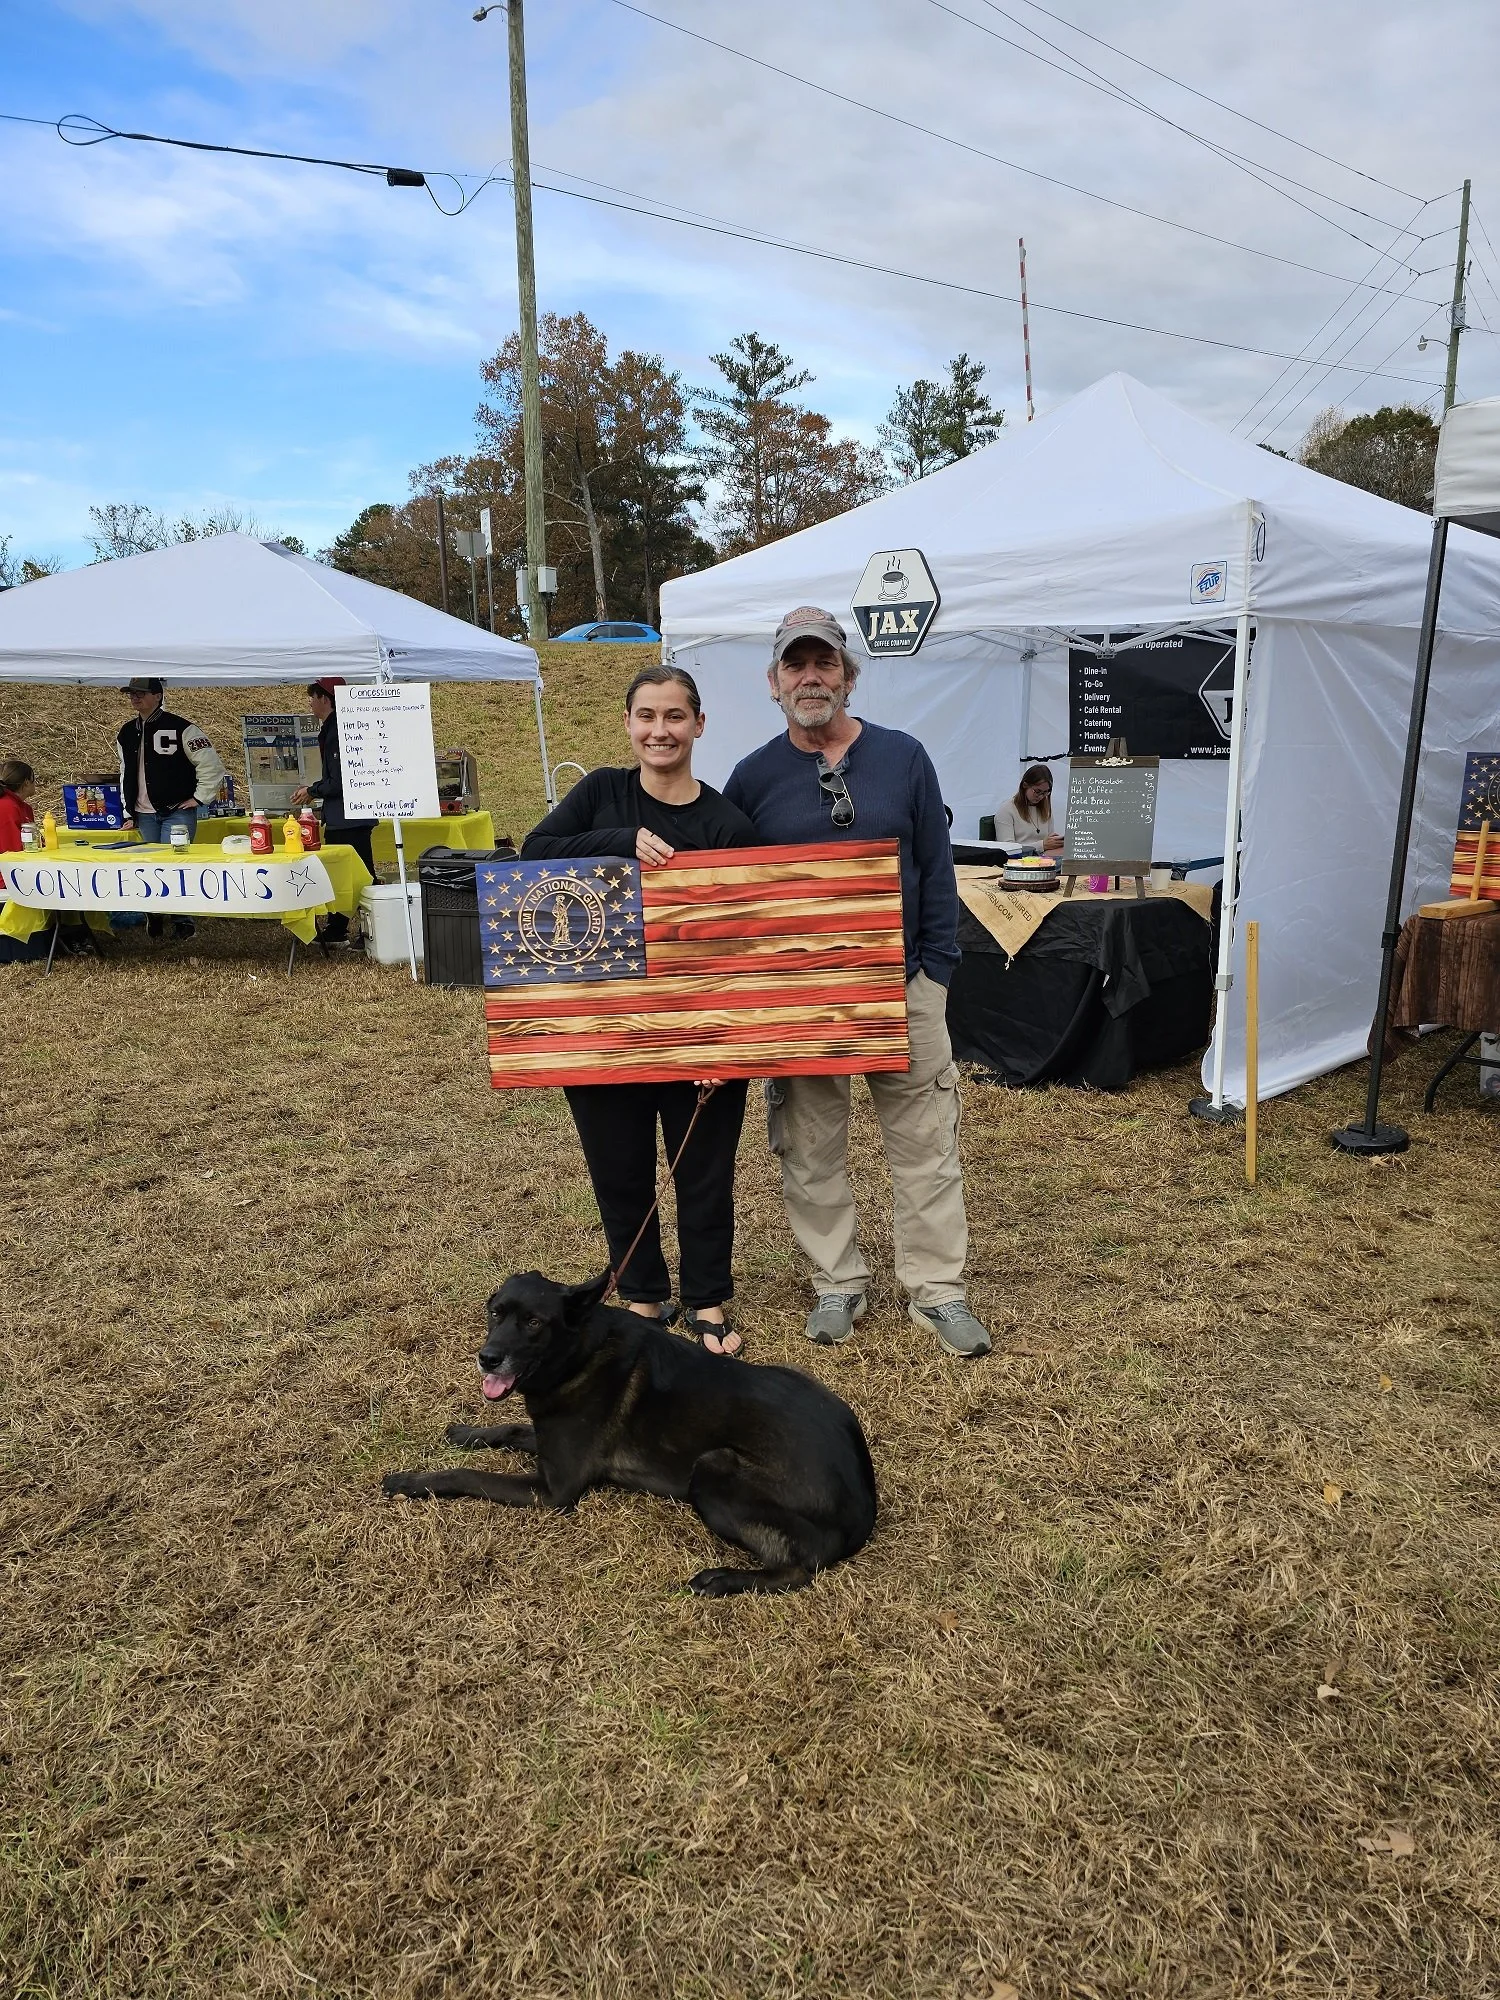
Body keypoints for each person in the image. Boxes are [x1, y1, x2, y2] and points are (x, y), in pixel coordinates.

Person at [722, 606, 990, 1359]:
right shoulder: (752, 777)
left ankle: (938, 1292)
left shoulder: (903, 757)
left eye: (825, 663)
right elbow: (733, 887)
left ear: (848, 675)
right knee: (808, 1147)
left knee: (926, 1145)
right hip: (805, 1001)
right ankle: (837, 1281)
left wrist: (934, 974)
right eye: (796, 666)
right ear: (772, 682)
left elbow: (937, 869)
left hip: (903, 988)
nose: (812, 677)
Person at [521, 664, 760, 1356]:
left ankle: (708, 1296)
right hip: (604, 1031)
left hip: (702, 1034)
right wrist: (617, 842)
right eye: (647, 716)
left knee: (704, 1173)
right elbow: (533, 854)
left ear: (699, 725)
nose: (661, 730)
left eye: (675, 716)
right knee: (619, 1169)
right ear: (628, 724)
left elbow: (744, 945)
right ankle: (643, 1295)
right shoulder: (600, 793)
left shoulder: (727, 825)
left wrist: (727, 1046)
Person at [116, 677, 228, 940]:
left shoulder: (184, 728)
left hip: (176, 809)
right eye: (132, 693)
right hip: (144, 812)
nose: (135, 697)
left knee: (177, 864)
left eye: (141, 693)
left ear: (158, 695)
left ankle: (182, 920)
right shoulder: (126, 732)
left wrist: (200, 798)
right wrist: (128, 810)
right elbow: (125, 773)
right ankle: (154, 913)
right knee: (150, 866)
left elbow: (211, 765)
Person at [290, 678, 377, 947]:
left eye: (313, 698)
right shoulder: (335, 726)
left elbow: (340, 779)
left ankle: (368, 929)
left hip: (349, 816)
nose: (310, 704)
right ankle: (339, 927)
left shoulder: (338, 729)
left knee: (360, 874)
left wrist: (313, 791)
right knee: (344, 873)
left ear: (325, 699)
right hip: (345, 815)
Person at [992, 764, 1063, 850]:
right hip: (1018, 861)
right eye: (1037, 791)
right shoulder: (1006, 810)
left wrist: (1054, 841)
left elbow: (1048, 840)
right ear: (1025, 785)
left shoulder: (1046, 810)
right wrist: (1042, 845)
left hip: (1042, 858)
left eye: (1045, 792)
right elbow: (1007, 849)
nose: (1041, 796)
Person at [0, 759, 36, 852]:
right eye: (34, 779)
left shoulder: (24, 807)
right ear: (27, 782)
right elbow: (11, 848)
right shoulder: (7, 807)